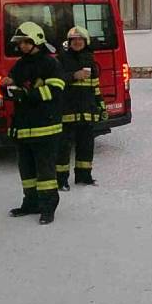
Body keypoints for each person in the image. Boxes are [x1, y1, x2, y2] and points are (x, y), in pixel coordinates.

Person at [1, 21, 65, 225]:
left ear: (36, 41)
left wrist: (26, 94)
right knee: (26, 169)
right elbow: (12, 86)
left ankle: (48, 208)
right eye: (20, 43)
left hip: (45, 126)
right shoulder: (21, 64)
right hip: (23, 126)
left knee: (45, 170)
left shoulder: (50, 63)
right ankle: (30, 203)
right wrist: (7, 86)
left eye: (25, 43)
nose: (21, 46)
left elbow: (55, 90)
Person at [56, 26, 106, 190]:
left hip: (87, 111)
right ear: (69, 43)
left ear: (86, 41)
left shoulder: (90, 60)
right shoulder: (61, 59)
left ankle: (84, 176)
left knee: (86, 145)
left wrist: (101, 106)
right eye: (74, 40)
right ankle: (61, 180)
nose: (77, 42)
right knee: (63, 148)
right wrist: (73, 76)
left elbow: (95, 87)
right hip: (68, 112)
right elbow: (56, 81)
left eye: (80, 39)